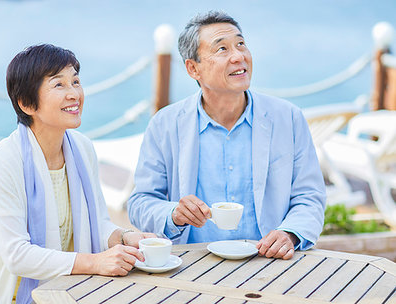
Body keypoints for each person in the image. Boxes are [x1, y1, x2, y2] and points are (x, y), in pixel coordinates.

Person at [0, 44, 155, 304]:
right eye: (59, 85)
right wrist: (95, 262)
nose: (74, 93)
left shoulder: (82, 148)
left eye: (75, 81)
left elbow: (97, 223)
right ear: (26, 103)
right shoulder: (4, 161)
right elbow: (17, 256)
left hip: (68, 292)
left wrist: (124, 237)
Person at [128, 11, 326, 260]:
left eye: (241, 44)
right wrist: (173, 214)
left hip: (269, 259)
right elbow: (140, 201)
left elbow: (310, 195)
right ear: (193, 68)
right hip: (192, 261)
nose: (238, 56)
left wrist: (290, 233)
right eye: (222, 49)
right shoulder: (164, 124)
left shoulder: (288, 117)